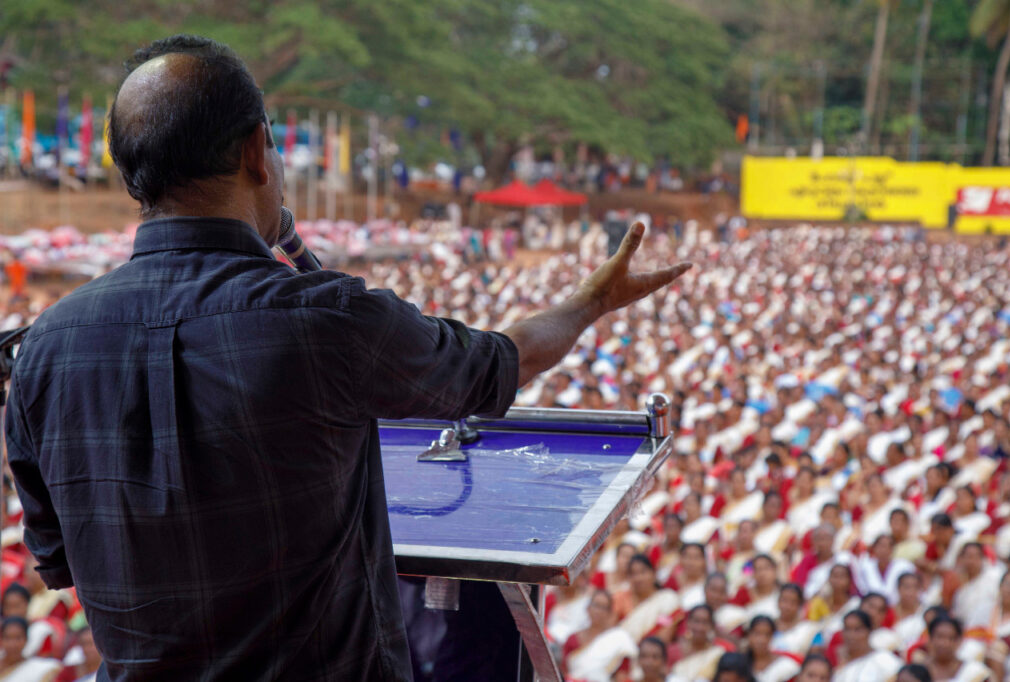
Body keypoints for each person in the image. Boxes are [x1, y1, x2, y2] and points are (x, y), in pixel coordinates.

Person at [4, 36, 692, 681]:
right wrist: (591, 300)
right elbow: (496, 365)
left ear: (129, 176)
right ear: (256, 151)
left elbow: (62, 561)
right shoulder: (326, 320)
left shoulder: (42, 351)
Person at [564, 590, 637, 682]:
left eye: (603, 607)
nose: (598, 611)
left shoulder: (618, 639)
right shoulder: (572, 639)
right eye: (596, 605)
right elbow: (564, 672)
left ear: (610, 613)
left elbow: (622, 676)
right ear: (588, 608)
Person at [832, 610, 902, 682]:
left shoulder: (883, 659)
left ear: (869, 631)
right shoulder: (840, 666)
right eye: (847, 629)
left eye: (857, 629)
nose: (851, 635)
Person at [923, 616, 991, 682]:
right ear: (930, 639)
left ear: (960, 642)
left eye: (951, 638)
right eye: (940, 637)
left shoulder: (974, 671)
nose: (945, 643)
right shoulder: (919, 670)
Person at [0, 616, 61, 682]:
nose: (12, 644)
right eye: (7, 638)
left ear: (26, 639)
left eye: (18, 638)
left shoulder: (36, 669)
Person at [745, 616, 800, 682]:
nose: (762, 640)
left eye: (767, 635)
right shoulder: (740, 663)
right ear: (749, 635)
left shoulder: (784, 665)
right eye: (757, 633)